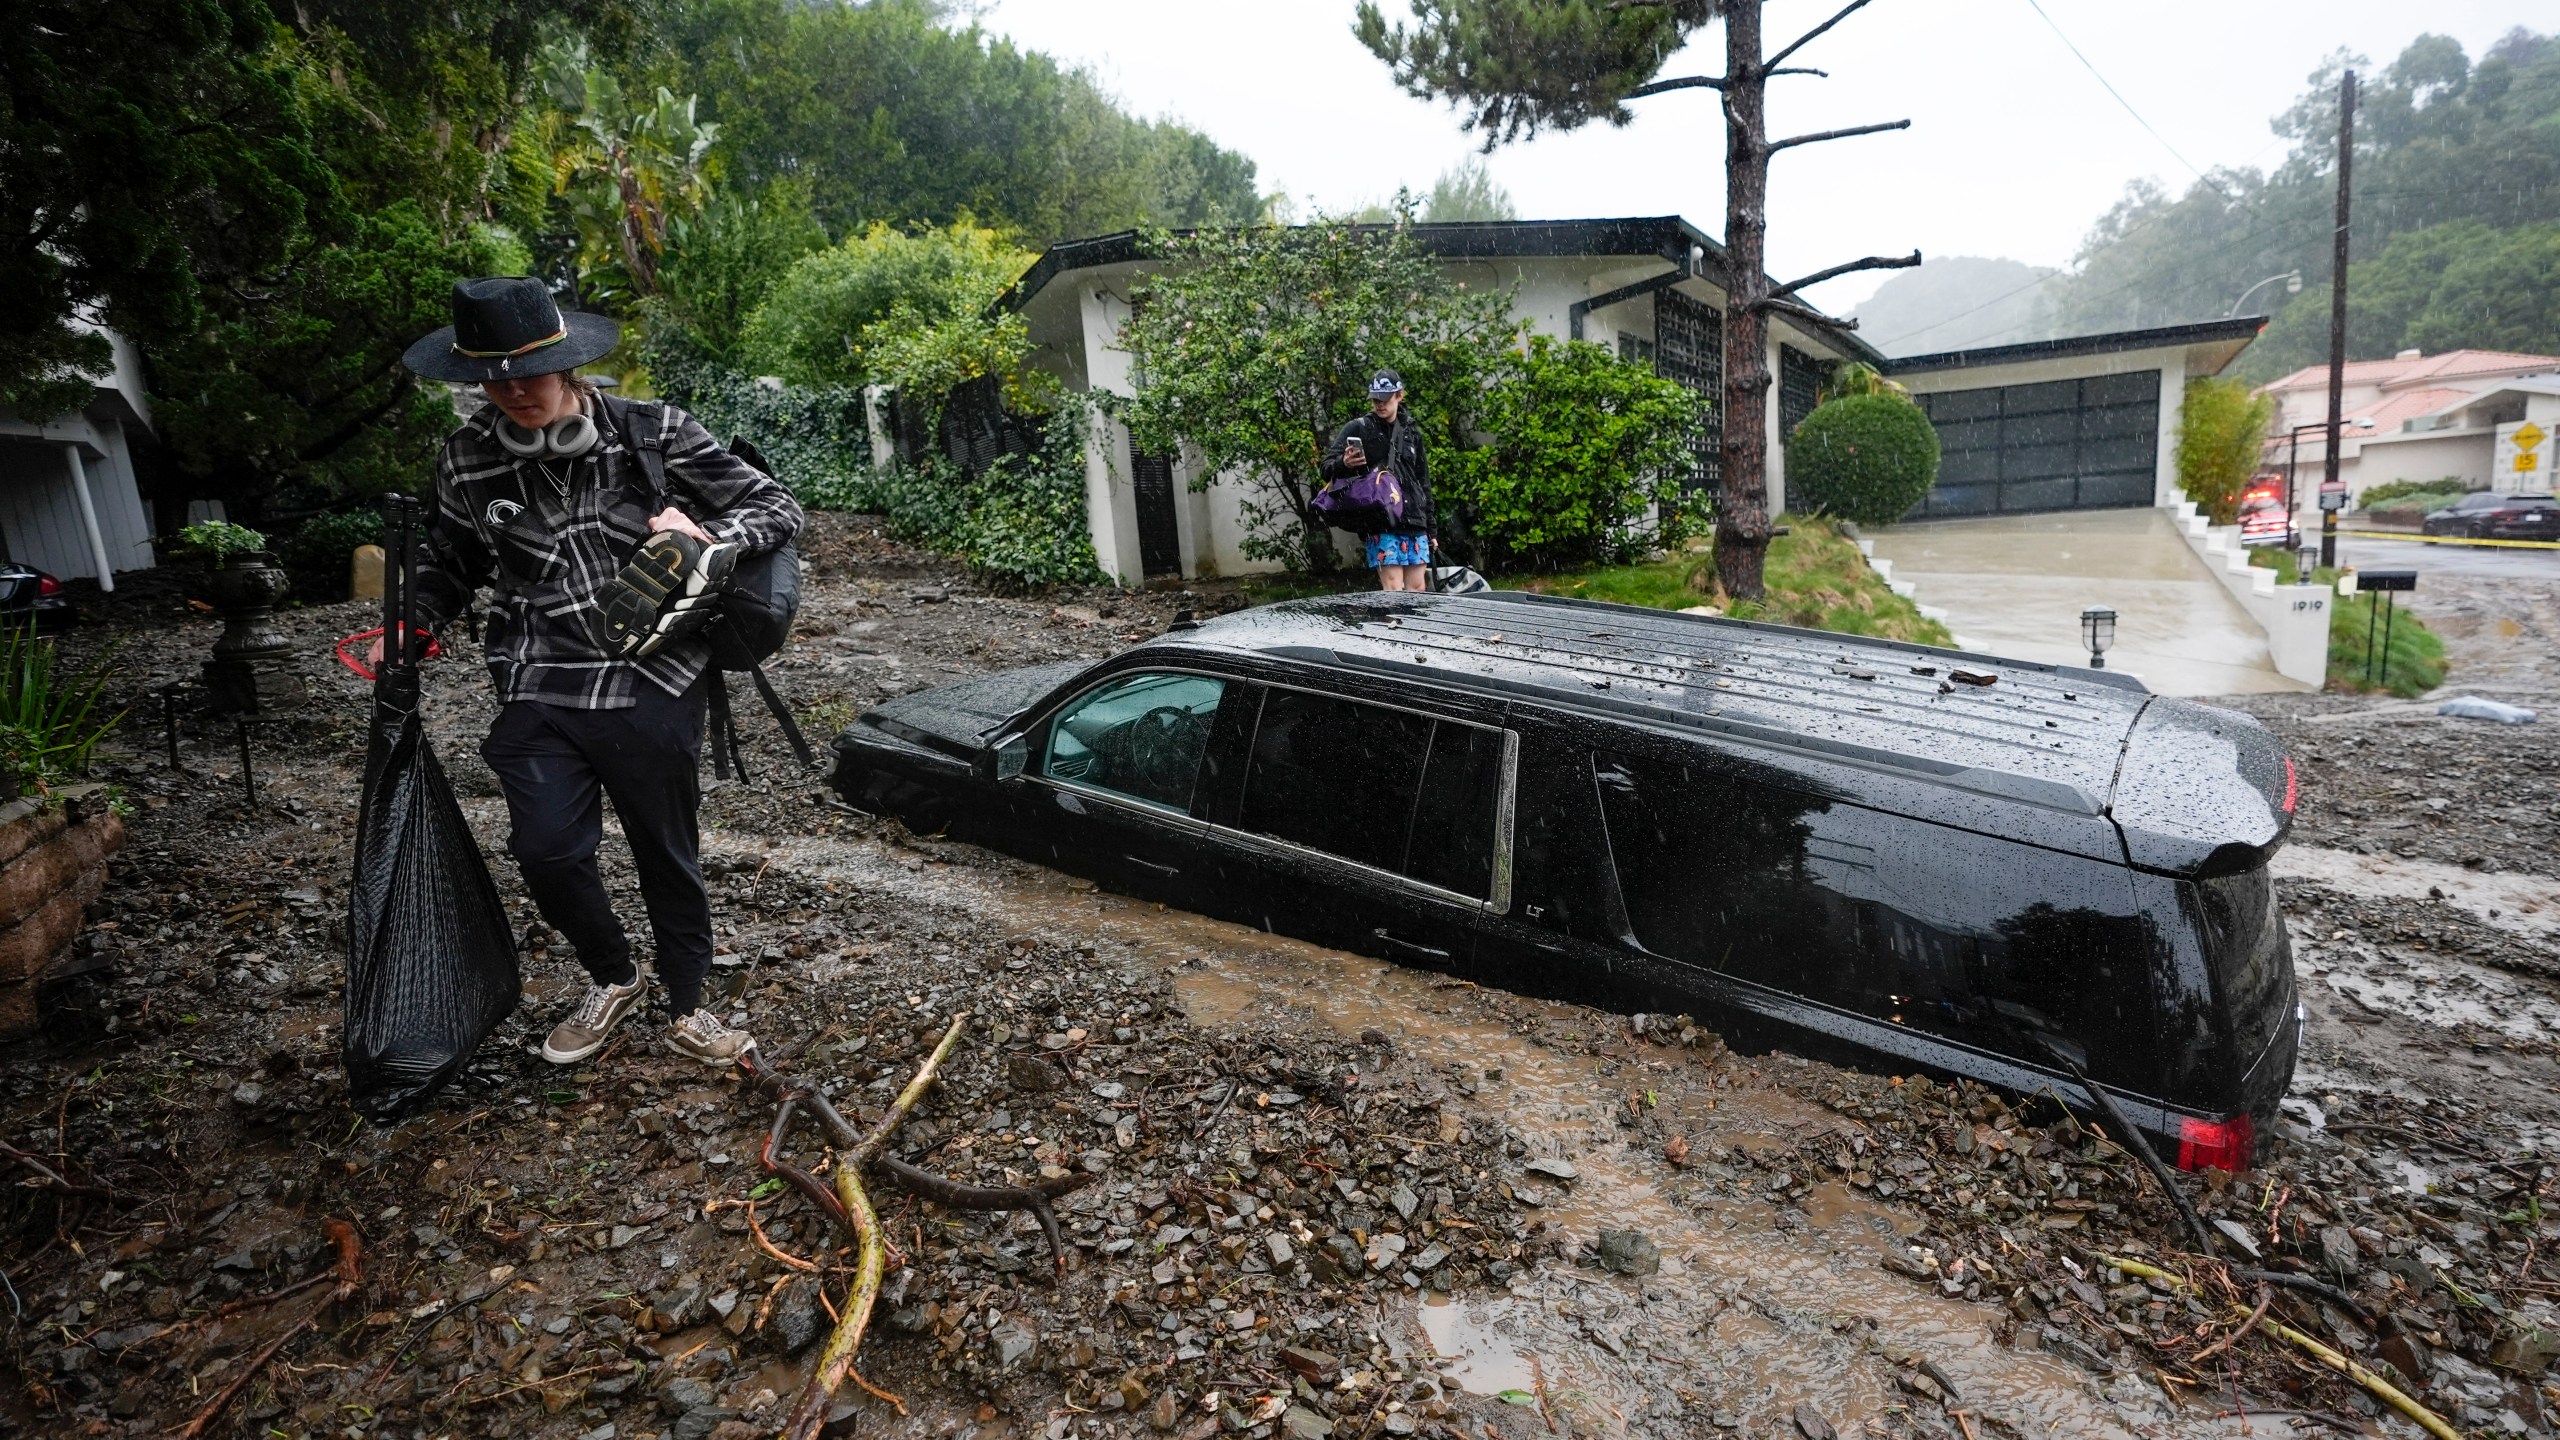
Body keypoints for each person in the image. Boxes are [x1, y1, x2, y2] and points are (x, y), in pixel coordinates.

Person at [394, 277, 804, 1067]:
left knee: (665, 852)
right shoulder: (467, 460)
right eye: (493, 375)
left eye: (529, 371)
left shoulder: (654, 432)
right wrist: (411, 624)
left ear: (567, 365)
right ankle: (614, 977)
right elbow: (450, 562)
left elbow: (777, 507)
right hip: (538, 679)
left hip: (654, 679)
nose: (513, 389)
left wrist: (707, 534)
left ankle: (690, 1005)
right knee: (545, 850)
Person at [1325, 371, 1434, 591]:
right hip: (1382, 521)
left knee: (1418, 591)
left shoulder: (1412, 431)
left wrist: (1431, 530)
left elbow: (1423, 482)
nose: (1380, 404)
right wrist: (1344, 463)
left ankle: (1412, 627)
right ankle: (1393, 625)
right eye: (1375, 399)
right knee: (1393, 591)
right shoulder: (1359, 428)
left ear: (1399, 396)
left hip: (1415, 521)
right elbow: (1325, 468)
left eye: (1385, 399)